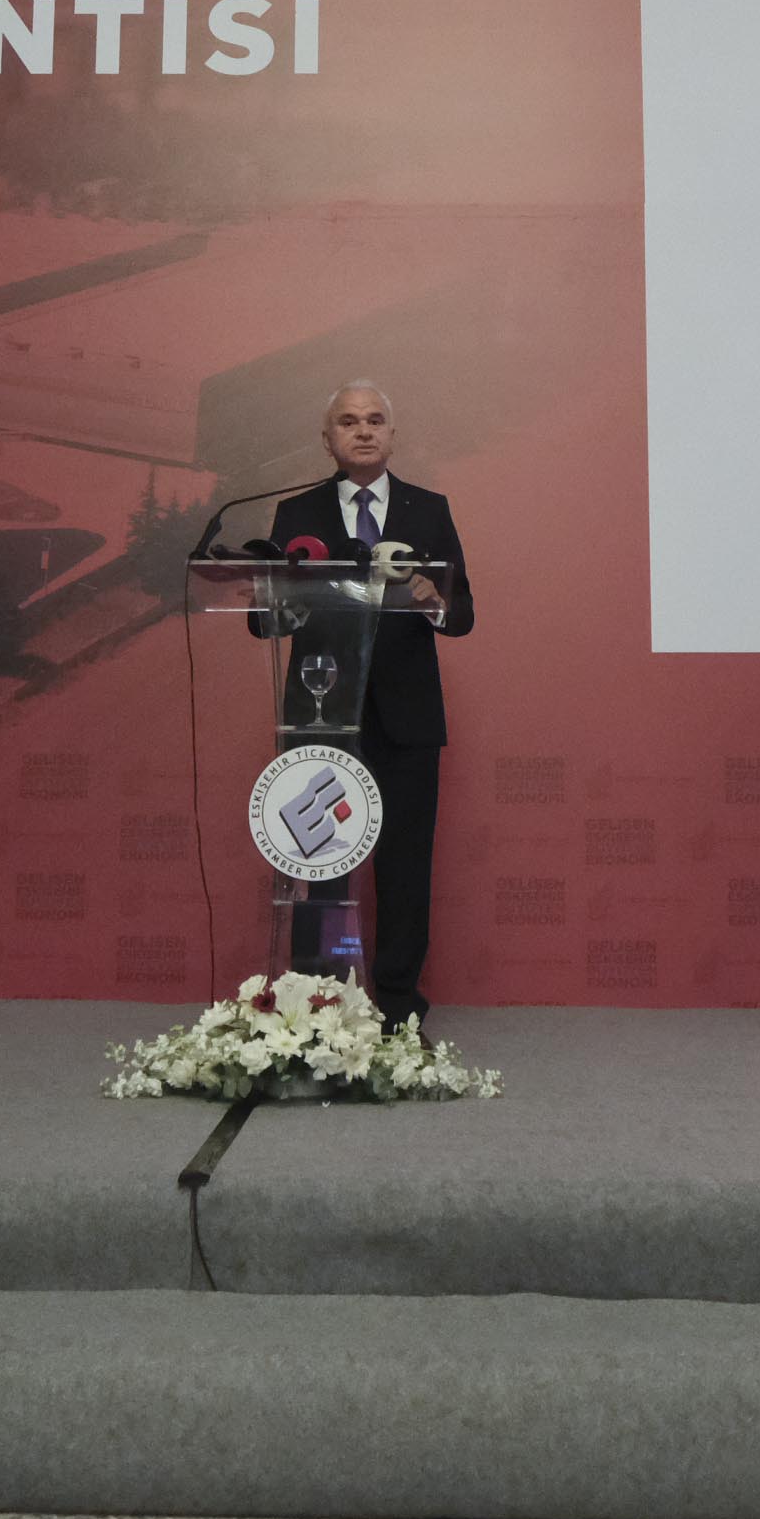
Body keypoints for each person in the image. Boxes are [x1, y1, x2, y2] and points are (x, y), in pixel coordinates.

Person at [269, 378, 471, 1032]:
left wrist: (433, 600)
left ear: (392, 434)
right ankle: (321, 1005)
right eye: (349, 421)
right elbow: (265, 619)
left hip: (407, 717)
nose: (363, 430)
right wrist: (286, 602)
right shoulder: (296, 512)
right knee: (323, 864)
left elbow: (463, 612)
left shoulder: (428, 509)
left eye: (375, 420)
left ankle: (400, 1006)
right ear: (327, 438)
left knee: (406, 867)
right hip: (322, 711)